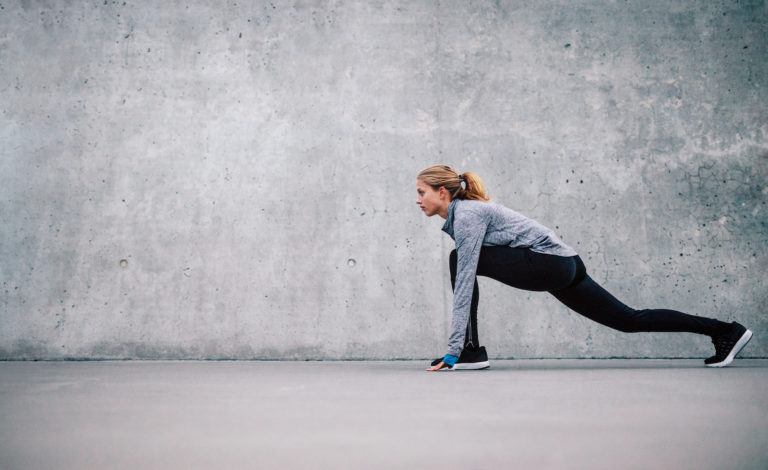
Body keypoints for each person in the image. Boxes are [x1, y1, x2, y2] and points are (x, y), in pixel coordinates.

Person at [415, 165, 753, 371]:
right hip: (564, 265)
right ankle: (724, 331)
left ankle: (469, 352)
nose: (418, 200)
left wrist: (452, 351)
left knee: (459, 260)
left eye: (422, 192)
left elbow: (463, 287)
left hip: (551, 264)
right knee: (628, 320)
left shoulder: (469, 215)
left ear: (442, 193)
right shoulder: (467, 213)